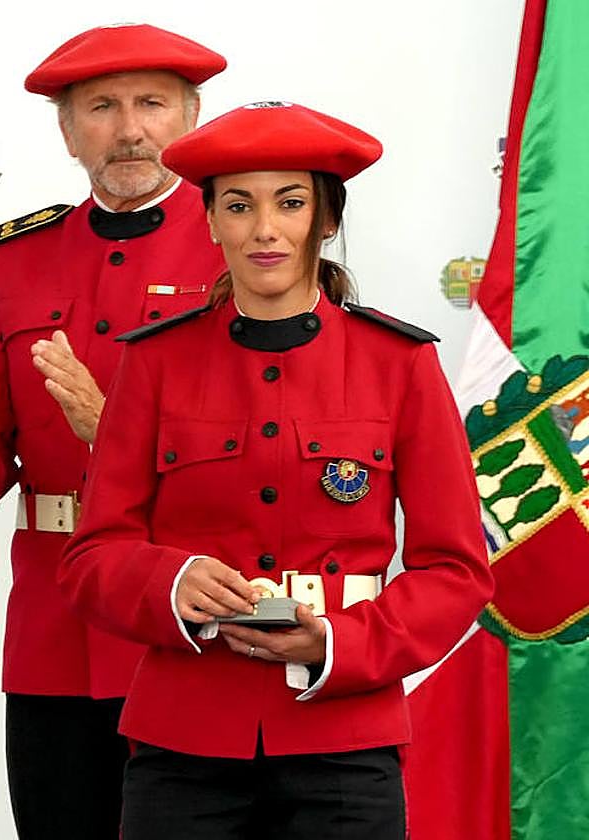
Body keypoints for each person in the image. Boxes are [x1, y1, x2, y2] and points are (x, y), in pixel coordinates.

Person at [58, 102, 494, 839]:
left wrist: (343, 645)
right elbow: (92, 556)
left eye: (290, 203)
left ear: (326, 220)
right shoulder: (154, 362)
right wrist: (168, 581)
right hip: (184, 741)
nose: (265, 229)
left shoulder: (401, 365)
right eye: (239, 204)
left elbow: (457, 569)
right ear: (210, 222)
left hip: (345, 742)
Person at [0, 23, 227, 840]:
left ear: (191, 114)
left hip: (189, 618)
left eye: (152, 103)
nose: (129, 129)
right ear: (68, 130)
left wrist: (110, 429)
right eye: (101, 107)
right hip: (55, 629)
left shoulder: (238, 242)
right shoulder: (19, 255)